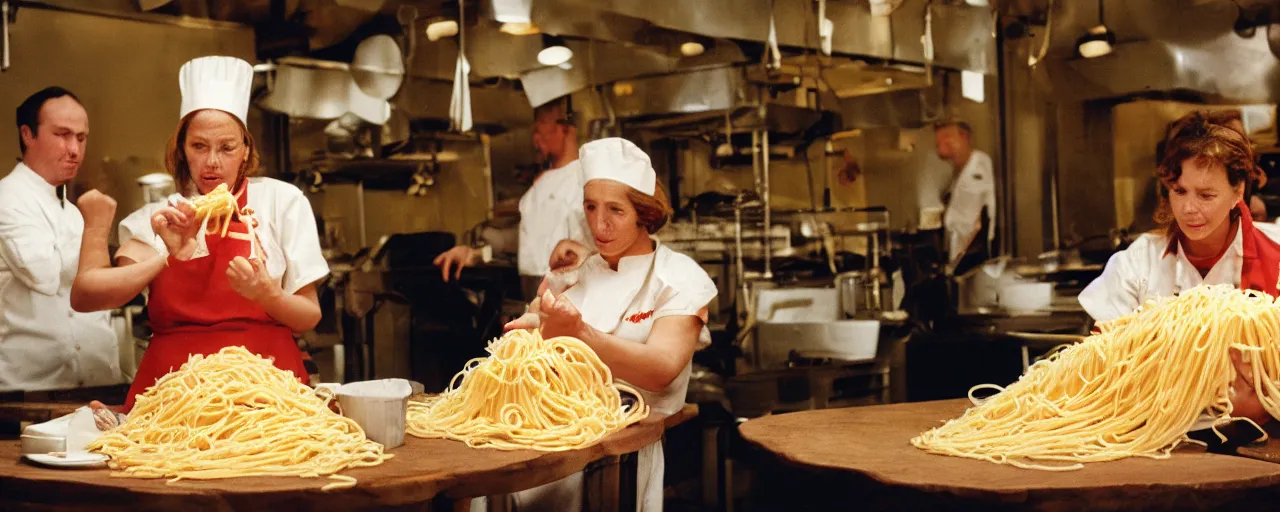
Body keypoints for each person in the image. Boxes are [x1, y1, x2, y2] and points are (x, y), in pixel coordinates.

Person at [73, 56, 328, 415]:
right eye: (199, 147)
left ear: (246, 151)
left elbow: (309, 316)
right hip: (172, 398)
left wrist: (267, 294)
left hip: (269, 392)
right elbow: (86, 296)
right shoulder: (160, 218)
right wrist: (168, 256)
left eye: (227, 148)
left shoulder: (281, 202)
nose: (212, 162)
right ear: (182, 149)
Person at [500, 137, 717, 511]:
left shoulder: (678, 278)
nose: (599, 224)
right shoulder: (578, 274)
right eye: (590, 207)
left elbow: (661, 369)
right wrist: (530, 330)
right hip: (542, 446)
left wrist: (579, 334)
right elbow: (541, 327)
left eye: (615, 210)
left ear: (644, 214)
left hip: (621, 459)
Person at [1079, 110, 1278, 425]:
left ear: (1237, 191)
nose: (1189, 209)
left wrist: (1263, 405)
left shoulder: (1275, 255)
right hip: (1153, 435)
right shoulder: (1137, 263)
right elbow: (1101, 369)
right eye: (1179, 191)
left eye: (1206, 195)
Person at [0, 86, 121, 396]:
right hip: (29, 391)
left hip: (97, 386)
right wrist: (95, 230)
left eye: (81, 138)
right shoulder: (7, 197)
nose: (74, 150)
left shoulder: (74, 211)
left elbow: (97, 293)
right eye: (62, 135)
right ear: (28, 135)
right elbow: (44, 277)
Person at [433, 97, 594, 299]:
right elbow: (527, 240)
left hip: (574, 298)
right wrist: (475, 255)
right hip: (532, 295)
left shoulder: (584, 179)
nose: (535, 138)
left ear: (566, 129)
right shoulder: (538, 187)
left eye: (541, 128)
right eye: (534, 130)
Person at [934, 119, 997, 276]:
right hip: (958, 253)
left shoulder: (981, 165)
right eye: (939, 140)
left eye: (947, 136)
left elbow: (985, 217)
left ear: (964, 136)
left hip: (973, 256)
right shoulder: (957, 172)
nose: (941, 142)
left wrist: (964, 255)